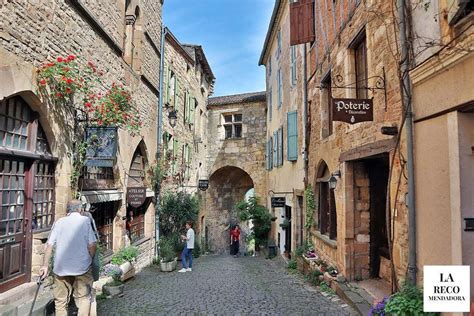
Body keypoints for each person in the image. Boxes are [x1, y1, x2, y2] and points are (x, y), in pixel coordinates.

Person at [39, 199, 97, 316]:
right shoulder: (85, 221)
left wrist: (45, 266)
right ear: (80, 209)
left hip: (61, 268)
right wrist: (90, 259)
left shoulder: (59, 222)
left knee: (60, 301)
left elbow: (49, 245)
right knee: (84, 298)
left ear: (67, 210)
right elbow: (92, 245)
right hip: (82, 267)